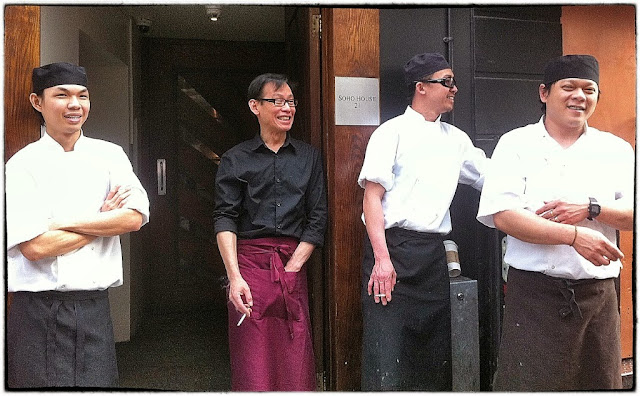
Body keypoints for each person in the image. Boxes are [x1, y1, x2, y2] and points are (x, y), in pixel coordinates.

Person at [477, 54, 633, 391]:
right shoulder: (516, 144)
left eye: (589, 89)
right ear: (544, 93)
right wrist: (574, 236)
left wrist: (591, 208)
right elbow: (504, 215)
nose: (580, 96)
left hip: (598, 298)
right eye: (569, 87)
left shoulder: (616, 149)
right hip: (535, 296)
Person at [6, 62, 150, 388]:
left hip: (93, 307)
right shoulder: (23, 165)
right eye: (62, 95)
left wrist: (59, 223)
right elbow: (36, 247)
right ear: (37, 102)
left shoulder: (110, 155)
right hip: (37, 311)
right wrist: (102, 221)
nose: (75, 104)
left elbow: (133, 217)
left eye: (82, 96)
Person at [357, 53, 487, 391]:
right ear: (421, 87)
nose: (454, 88)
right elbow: (372, 197)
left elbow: (491, 178)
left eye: (453, 82)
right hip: (391, 252)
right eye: (446, 82)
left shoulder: (457, 140)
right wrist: (382, 261)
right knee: (388, 347)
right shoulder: (391, 133)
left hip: (431, 256)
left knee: (433, 346)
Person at [213, 73, 327, 391]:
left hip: (292, 261)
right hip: (248, 266)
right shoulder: (236, 159)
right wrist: (234, 277)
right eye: (277, 101)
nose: (286, 108)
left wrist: (293, 267)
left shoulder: (309, 157)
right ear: (255, 106)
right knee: (251, 356)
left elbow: (317, 219)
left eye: (290, 102)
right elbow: (225, 218)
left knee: (296, 352)